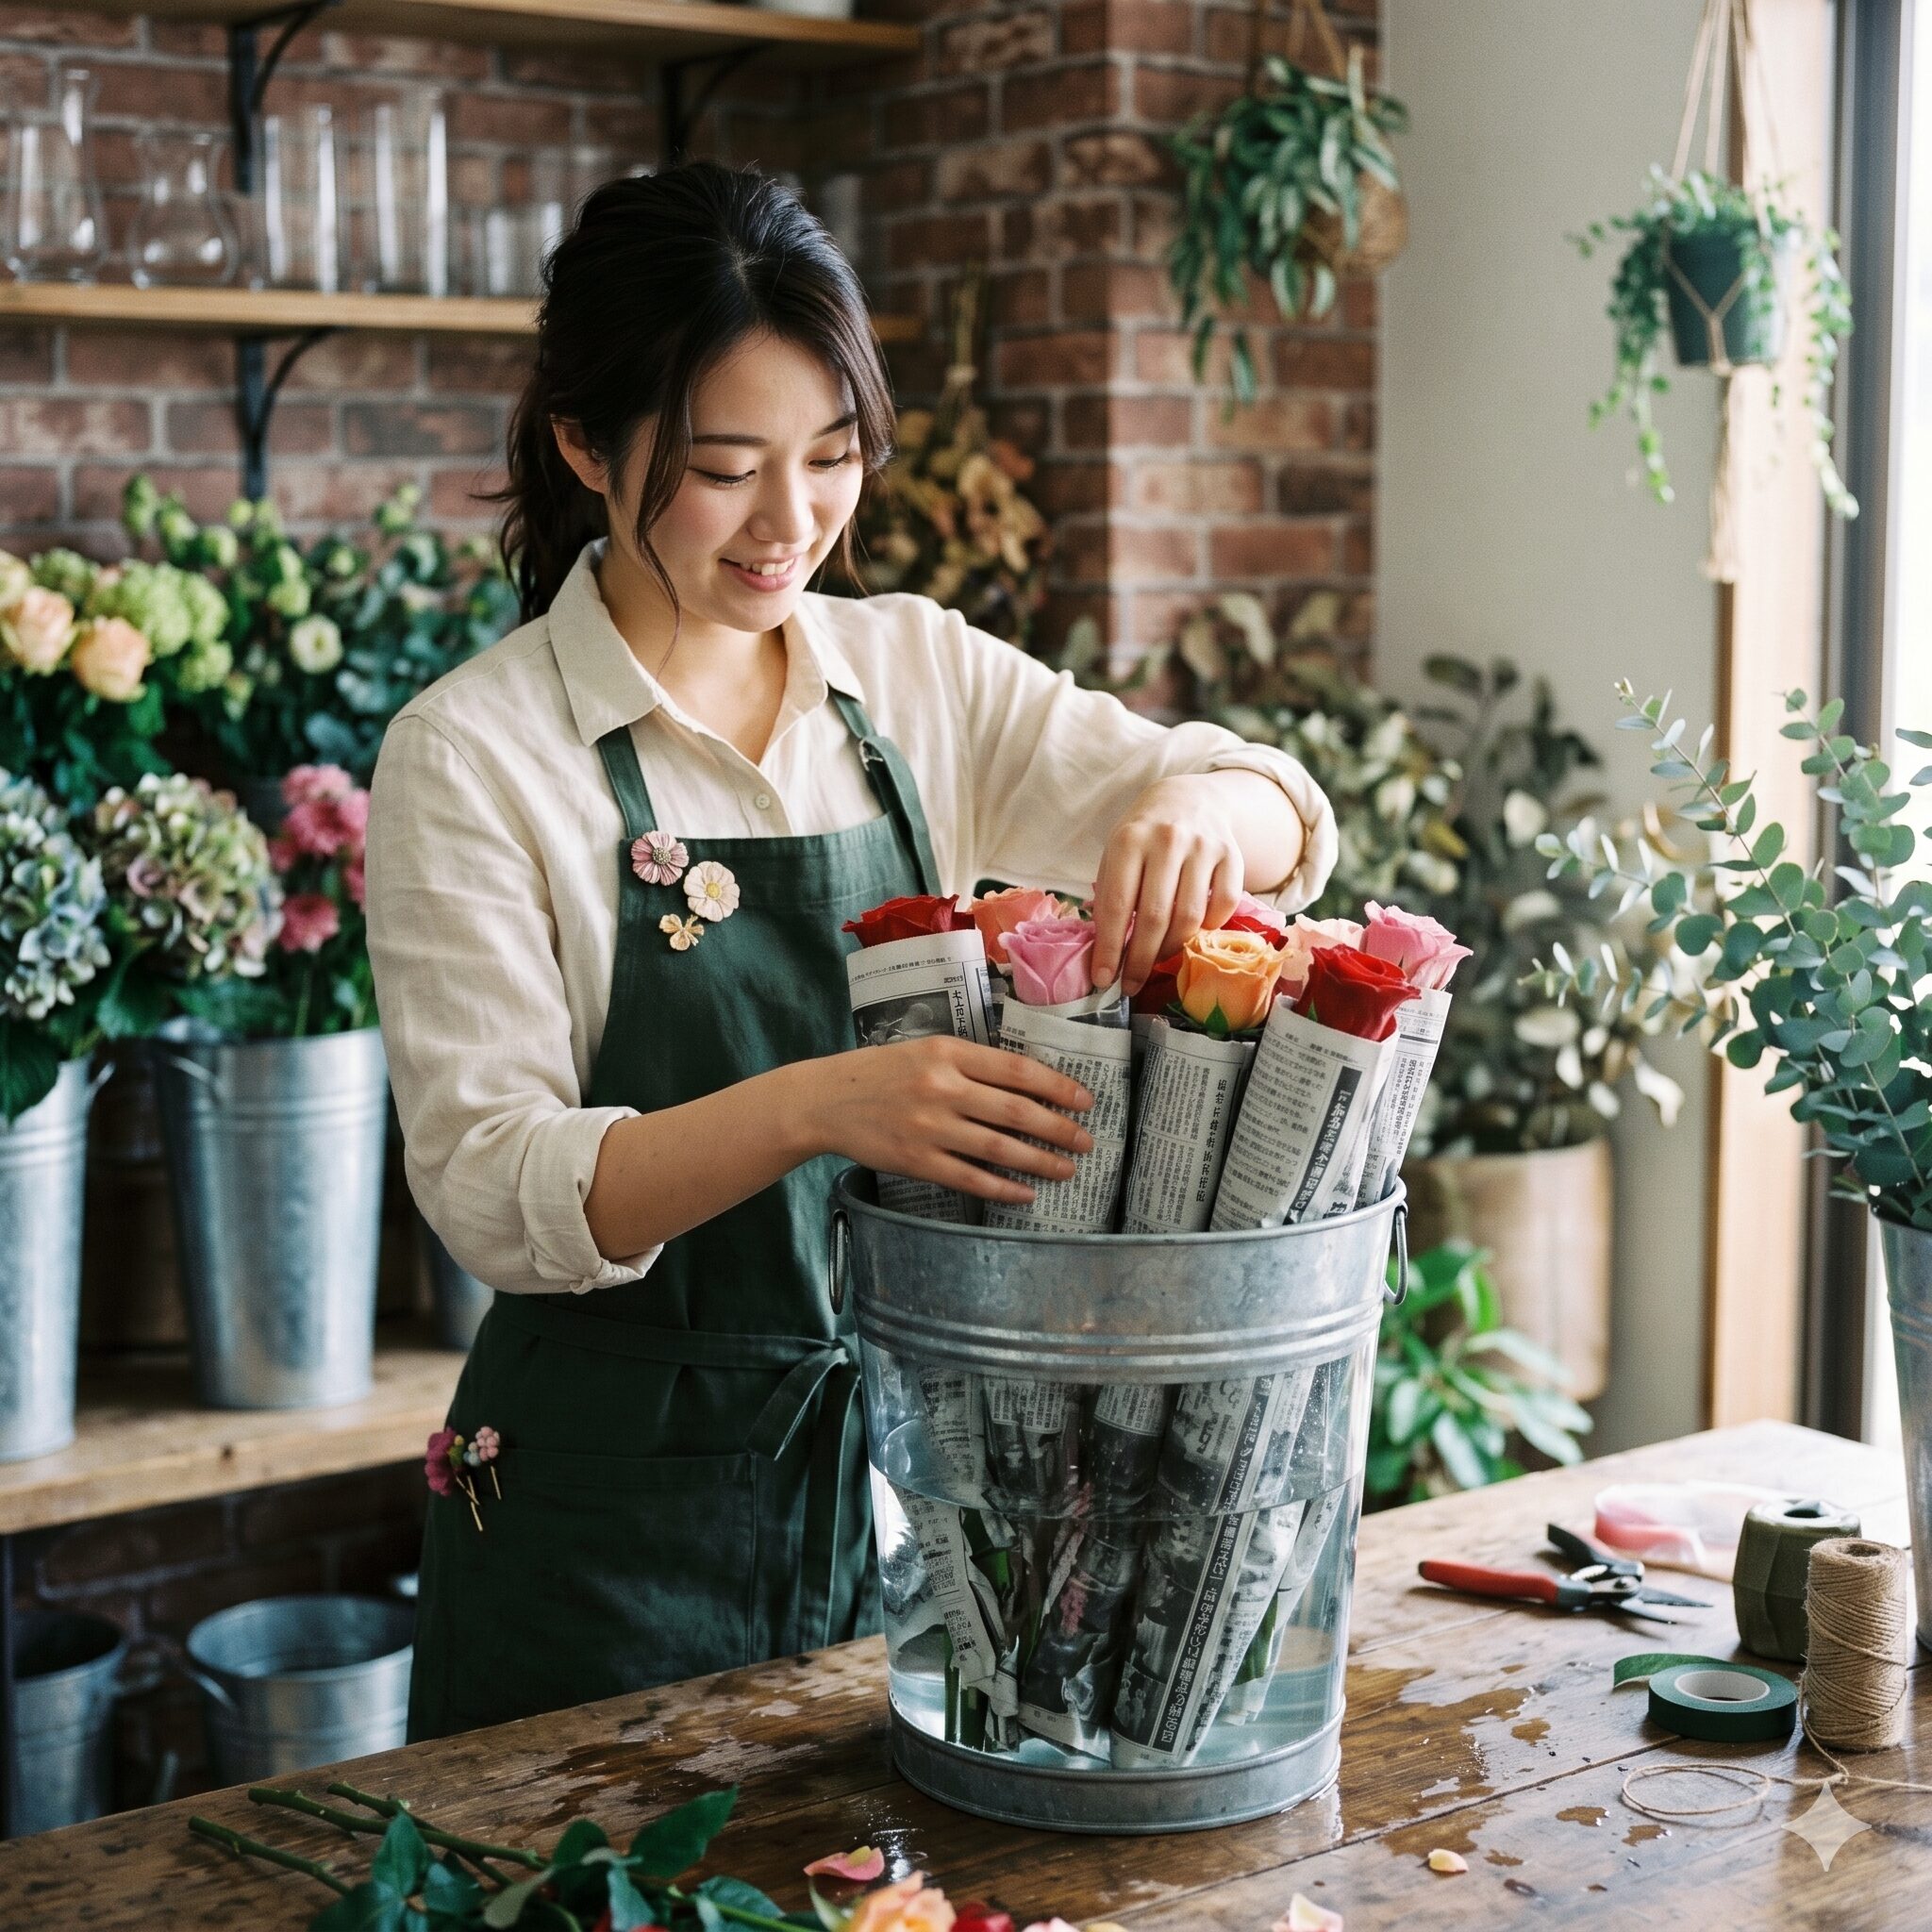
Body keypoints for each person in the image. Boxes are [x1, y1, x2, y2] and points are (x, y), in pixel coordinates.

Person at [366, 161, 1338, 1740]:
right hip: (607, 1530)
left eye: (832, 458)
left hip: (912, 1496)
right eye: (724, 468)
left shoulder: (912, 674)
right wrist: (824, 1104)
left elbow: (1278, 809)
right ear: (580, 445)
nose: (793, 522)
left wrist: (1208, 808)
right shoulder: (474, 755)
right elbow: (495, 1187)